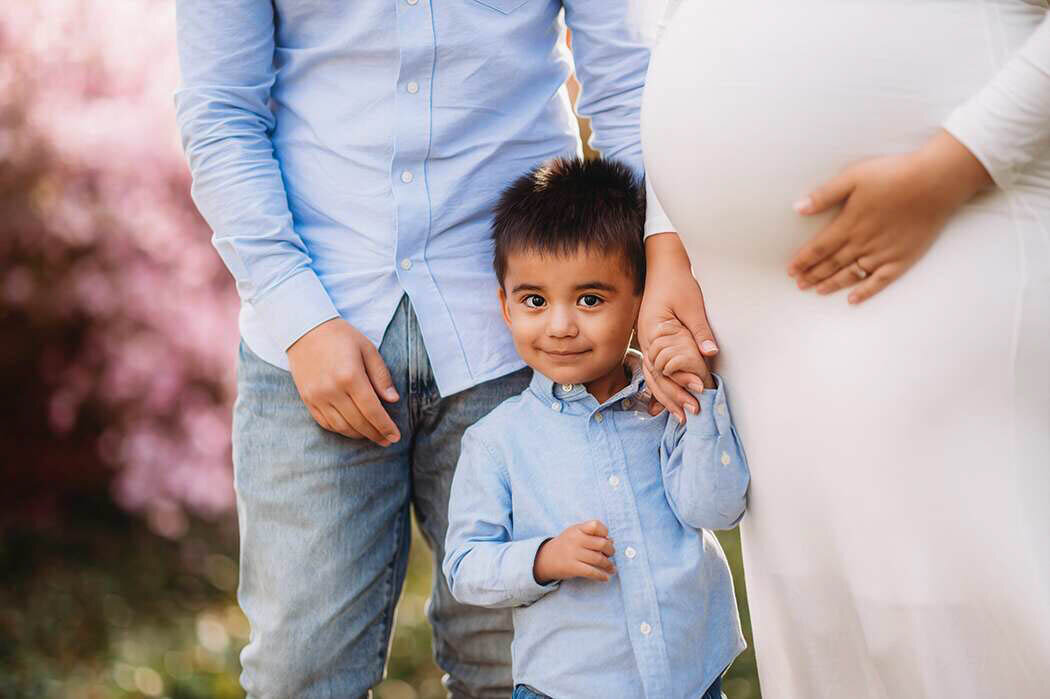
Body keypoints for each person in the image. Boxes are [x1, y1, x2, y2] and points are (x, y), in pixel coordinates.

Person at [173, 1, 688, 696]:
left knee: (522, 664)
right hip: (314, 324)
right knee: (301, 670)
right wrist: (299, 317)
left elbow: (626, 80)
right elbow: (219, 112)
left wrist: (658, 262)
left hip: (523, 333)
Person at [640, 1, 1050, 696]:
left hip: (956, 231)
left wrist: (958, 163)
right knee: (827, 623)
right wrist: (668, 241)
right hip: (751, 317)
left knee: (982, 607)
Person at [443, 157, 750, 699]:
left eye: (590, 299)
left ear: (639, 298)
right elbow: (465, 565)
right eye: (535, 300)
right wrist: (542, 559)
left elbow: (715, 509)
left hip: (692, 680)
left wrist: (699, 395)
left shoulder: (667, 402)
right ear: (506, 306)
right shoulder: (497, 441)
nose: (561, 326)